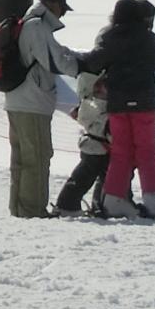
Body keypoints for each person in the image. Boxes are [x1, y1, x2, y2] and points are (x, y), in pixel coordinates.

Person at [76, 0, 155, 221]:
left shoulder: (110, 36)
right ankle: (152, 199)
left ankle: (113, 199)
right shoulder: (148, 37)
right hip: (144, 102)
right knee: (147, 150)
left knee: (121, 151)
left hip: (118, 103)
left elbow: (94, 62)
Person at [2, 0, 81, 219]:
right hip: (32, 101)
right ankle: (33, 210)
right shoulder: (37, 26)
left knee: (22, 159)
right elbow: (54, 60)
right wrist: (82, 66)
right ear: (53, 4)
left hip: (18, 99)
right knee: (37, 158)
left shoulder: (28, 23)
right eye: (62, 8)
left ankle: (19, 208)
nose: (62, 14)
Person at [54, 78, 114, 216]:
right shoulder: (104, 108)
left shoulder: (89, 105)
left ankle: (70, 204)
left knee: (85, 176)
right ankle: (70, 205)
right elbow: (107, 130)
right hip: (99, 147)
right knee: (92, 177)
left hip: (91, 145)